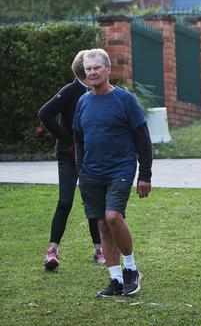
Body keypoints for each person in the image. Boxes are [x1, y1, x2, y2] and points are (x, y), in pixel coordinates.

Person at [73, 48, 153, 297]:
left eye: (97, 67)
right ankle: (116, 279)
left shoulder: (125, 100)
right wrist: (80, 169)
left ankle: (131, 269)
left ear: (108, 69)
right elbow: (78, 138)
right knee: (101, 225)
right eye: (88, 69)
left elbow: (143, 139)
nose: (92, 72)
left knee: (113, 217)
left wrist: (145, 174)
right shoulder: (83, 101)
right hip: (90, 172)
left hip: (120, 168)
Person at [38, 50, 104, 270]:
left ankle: (99, 249)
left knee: (93, 203)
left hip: (90, 155)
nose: (92, 70)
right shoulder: (70, 91)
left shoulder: (100, 91)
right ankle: (52, 251)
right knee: (65, 201)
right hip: (68, 155)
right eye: (88, 67)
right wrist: (69, 139)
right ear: (81, 69)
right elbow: (44, 113)